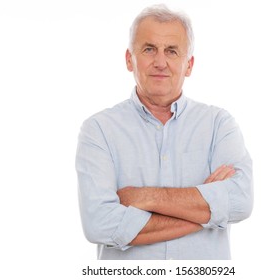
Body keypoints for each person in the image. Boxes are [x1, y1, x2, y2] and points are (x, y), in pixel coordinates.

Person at [75, 4, 253, 260]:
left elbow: (241, 200)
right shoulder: (99, 130)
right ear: (129, 59)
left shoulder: (218, 125)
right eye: (149, 49)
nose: (160, 62)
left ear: (189, 65)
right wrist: (208, 210)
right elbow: (100, 223)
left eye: (172, 51)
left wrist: (144, 197)